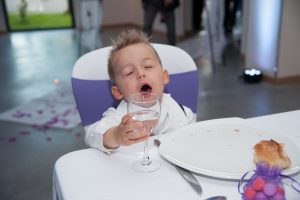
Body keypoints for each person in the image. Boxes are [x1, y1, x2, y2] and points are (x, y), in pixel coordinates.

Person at [85, 29, 195, 153]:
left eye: (148, 66)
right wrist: (115, 136)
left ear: (164, 77)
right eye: (129, 72)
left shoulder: (181, 112)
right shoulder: (118, 117)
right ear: (118, 91)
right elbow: (91, 136)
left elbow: (193, 138)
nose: (140, 74)